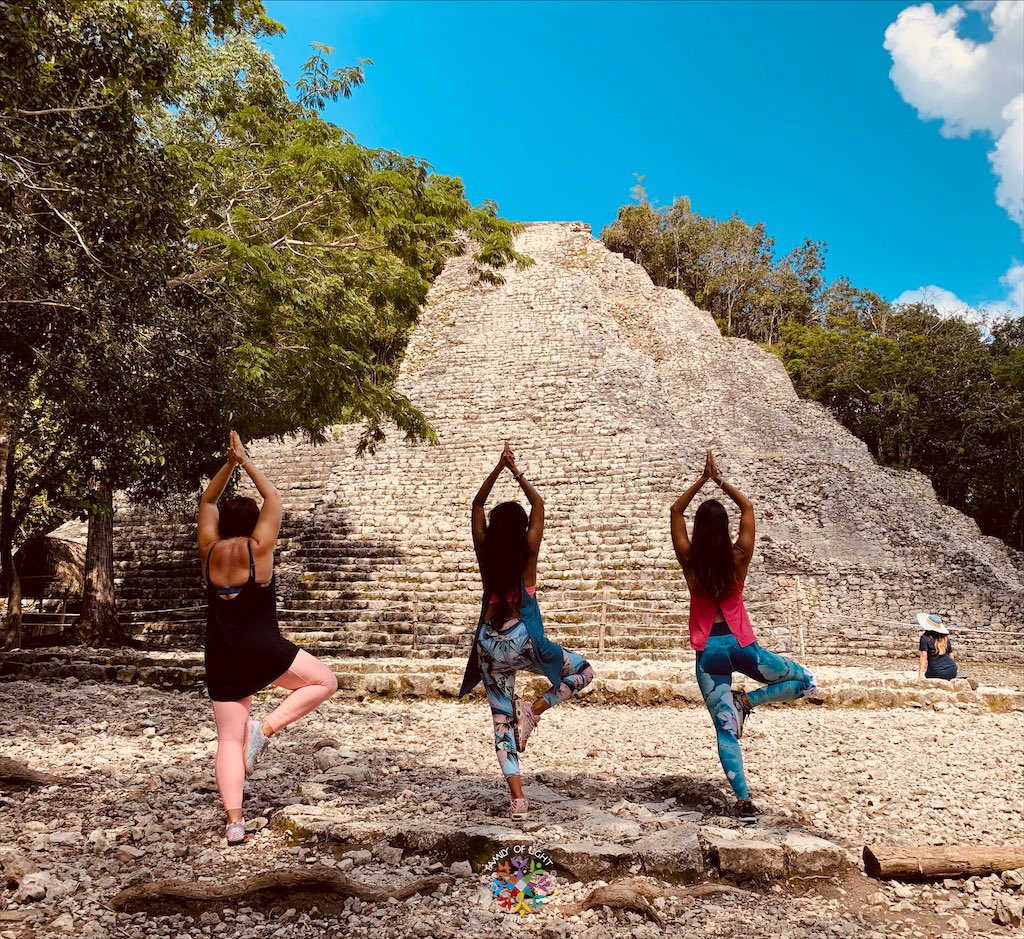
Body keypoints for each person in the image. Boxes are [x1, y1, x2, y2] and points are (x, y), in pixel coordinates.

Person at [198, 431, 338, 845]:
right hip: (262, 646)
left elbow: (207, 502)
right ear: (253, 522)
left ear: (223, 524)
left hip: (220, 651)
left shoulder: (209, 548)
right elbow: (274, 498)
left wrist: (228, 464)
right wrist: (247, 462)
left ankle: (234, 821)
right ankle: (265, 729)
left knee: (226, 739)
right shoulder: (259, 548)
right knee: (325, 681)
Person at [671, 450, 822, 820]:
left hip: (708, 653)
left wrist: (700, 482)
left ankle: (742, 799)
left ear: (699, 530)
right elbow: (749, 509)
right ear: (724, 530)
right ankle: (750, 703)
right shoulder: (739, 556)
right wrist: (720, 480)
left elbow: (675, 512)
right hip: (743, 647)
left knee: (724, 728)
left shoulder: (690, 560)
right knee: (806, 681)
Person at [458, 442, 594, 819]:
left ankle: (518, 800)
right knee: (584, 671)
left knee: (501, 719)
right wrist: (516, 472)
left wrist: (497, 470)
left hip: (488, 642)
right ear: (520, 530)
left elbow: (476, 507)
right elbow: (538, 506)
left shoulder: (485, 552)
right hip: (524, 639)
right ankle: (534, 710)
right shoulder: (527, 553)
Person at [917, 613, 957, 680]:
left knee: (928, 674)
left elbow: (923, 656)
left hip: (936, 672)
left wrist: (920, 673)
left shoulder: (925, 638)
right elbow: (951, 654)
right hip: (952, 670)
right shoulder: (944, 638)